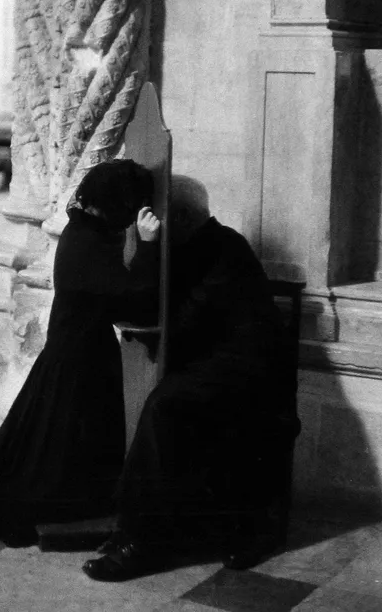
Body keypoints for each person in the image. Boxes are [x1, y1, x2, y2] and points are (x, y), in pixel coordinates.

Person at [0, 159, 161, 545]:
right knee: (51, 467)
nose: (129, 219)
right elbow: (137, 303)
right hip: (83, 364)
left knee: (32, 450)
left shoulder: (81, 230)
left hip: (68, 354)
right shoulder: (91, 243)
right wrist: (147, 247)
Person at [83, 176, 300, 581]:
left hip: (251, 373)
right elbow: (152, 303)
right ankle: (135, 527)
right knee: (151, 402)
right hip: (216, 363)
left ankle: (141, 541)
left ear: (179, 216)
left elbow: (184, 325)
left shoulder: (224, 247)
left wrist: (146, 327)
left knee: (164, 408)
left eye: (157, 213)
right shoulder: (192, 244)